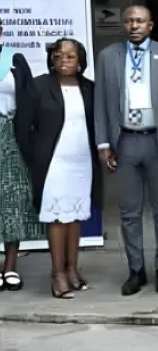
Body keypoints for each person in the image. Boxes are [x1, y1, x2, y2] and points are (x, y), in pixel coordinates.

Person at [94, 5, 158, 296]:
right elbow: (100, 102)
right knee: (129, 212)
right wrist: (103, 143)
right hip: (125, 141)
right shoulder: (108, 57)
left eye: (140, 21)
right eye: (129, 21)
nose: (134, 25)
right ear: (124, 25)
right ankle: (136, 270)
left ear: (151, 25)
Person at [21, 39, 101, 299]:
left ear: (80, 61)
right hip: (54, 163)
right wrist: (35, 157)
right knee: (57, 217)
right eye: (59, 55)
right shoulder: (39, 85)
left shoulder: (89, 88)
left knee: (75, 216)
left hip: (82, 162)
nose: (64, 60)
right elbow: (23, 127)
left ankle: (72, 269)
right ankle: (57, 274)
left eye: (70, 56)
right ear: (52, 59)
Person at [0, 18, 43, 292]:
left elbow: (29, 98)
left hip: (10, 135)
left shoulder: (14, 58)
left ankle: (11, 265)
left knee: (13, 198)